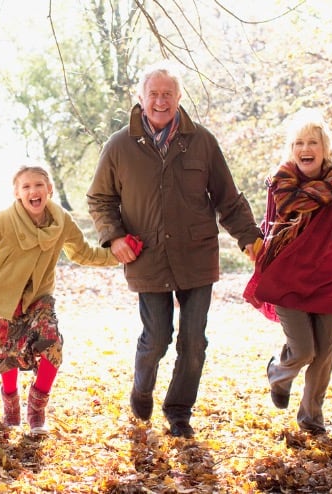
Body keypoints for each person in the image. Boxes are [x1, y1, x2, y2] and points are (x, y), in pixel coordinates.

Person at [86, 60, 262, 438]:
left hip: (196, 255)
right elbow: (100, 198)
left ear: (179, 98)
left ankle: (179, 411)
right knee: (157, 338)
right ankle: (141, 387)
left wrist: (249, 237)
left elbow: (228, 199)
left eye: (168, 94)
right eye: (154, 94)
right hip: (146, 256)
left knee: (193, 341)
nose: (161, 101)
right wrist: (114, 237)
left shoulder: (202, 142)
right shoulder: (119, 146)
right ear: (141, 98)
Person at [243, 109, 332, 435]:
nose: (306, 148)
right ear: (292, 150)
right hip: (287, 282)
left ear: (325, 149)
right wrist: (257, 243)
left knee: (323, 356)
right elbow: (270, 226)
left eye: (313, 142)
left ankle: (311, 418)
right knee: (305, 350)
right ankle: (278, 372)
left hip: (328, 284)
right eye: (298, 143)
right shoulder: (279, 186)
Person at [0, 166, 119, 435]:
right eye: (26, 187)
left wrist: (118, 255)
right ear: (17, 194)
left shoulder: (61, 220)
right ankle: (11, 408)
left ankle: (37, 409)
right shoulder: (6, 219)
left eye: (39, 184)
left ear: (49, 189)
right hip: (3, 296)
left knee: (52, 345)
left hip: (39, 298)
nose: (33, 191)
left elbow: (82, 253)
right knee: (8, 354)